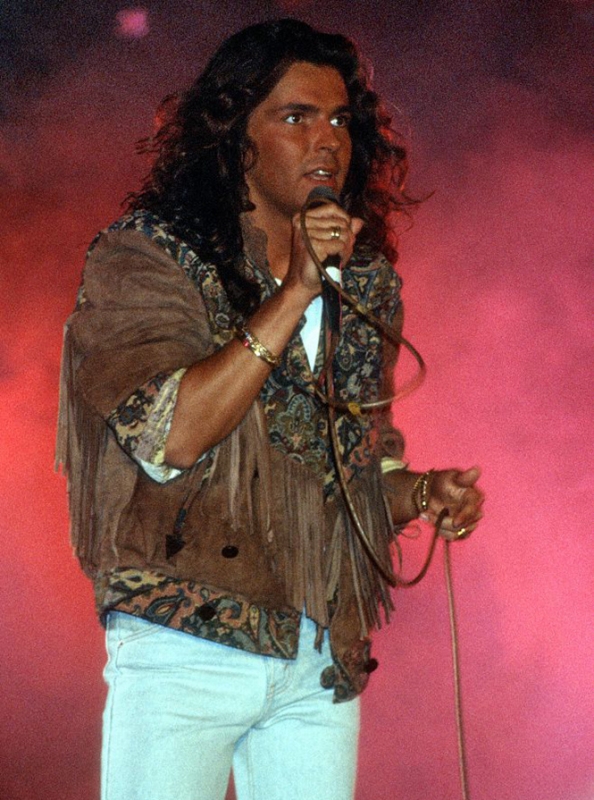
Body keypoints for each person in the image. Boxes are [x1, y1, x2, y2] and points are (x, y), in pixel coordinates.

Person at [57, 18, 483, 800]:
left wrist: (421, 492)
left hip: (317, 653)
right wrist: (293, 295)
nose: (327, 140)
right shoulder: (151, 256)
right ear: (236, 136)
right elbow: (168, 435)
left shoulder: (364, 283)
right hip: (185, 644)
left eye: (341, 120)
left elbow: (351, 471)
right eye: (296, 117)